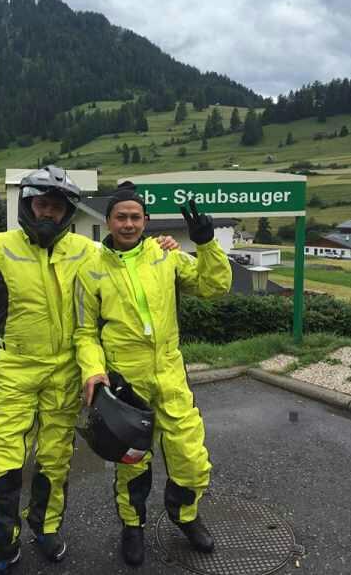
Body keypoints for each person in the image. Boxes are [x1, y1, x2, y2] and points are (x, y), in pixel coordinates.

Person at [0, 167, 177, 574]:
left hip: (66, 371)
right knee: (5, 459)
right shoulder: (0, 247)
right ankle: (1, 545)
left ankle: (46, 528)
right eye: (42, 205)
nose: (48, 214)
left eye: (56, 207)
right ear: (27, 205)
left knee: (55, 457)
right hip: (17, 367)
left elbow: (126, 260)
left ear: (67, 212)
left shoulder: (86, 252)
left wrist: (157, 246)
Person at [74, 181, 232, 566]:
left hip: (170, 373)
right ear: (108, 221)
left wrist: (206, 244)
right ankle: (133, 527)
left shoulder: (166, 256)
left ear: (145, 220)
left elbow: (215, 285)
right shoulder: (90, 270)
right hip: (127, 382)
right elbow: (84, 331)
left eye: (135, 217)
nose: (128, 224)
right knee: (132, 462)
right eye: (120, 217)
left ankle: (185, 515)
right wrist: (94, 370)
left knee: (191, 458)